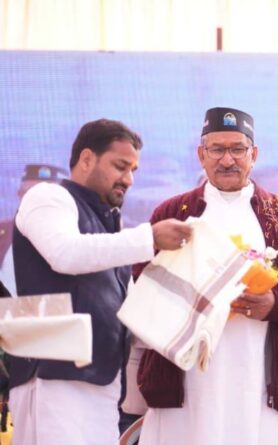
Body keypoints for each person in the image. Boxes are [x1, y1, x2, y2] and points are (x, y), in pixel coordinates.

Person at [131, 107, 278, 445]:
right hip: (184, 376)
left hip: (256, 373)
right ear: (201, 155)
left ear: (254, 154)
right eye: (217, 149)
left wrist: (273, 306)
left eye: (237, 149)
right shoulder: (173, 212)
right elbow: (142, 283)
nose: (227, 160)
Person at [7, 119, 192, 445]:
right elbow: (65, 254)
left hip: (104, 386)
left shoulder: (112, 231)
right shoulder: (47, 196)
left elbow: (132, 317)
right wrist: (149, 238)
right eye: (120, 166)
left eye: (133, 170)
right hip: (54, 379)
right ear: (87, 158)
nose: (128, 179)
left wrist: (198, 322)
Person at [0, 163, 69, 296]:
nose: (35, 202)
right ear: (19, 194)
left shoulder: (80, 235)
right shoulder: (3, 232)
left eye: (44, 196)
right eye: (28, 194)